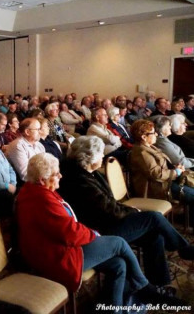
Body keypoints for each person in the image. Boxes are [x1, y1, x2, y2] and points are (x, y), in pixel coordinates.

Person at [17, 153, 184, 309]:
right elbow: (70, 233)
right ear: (41, 179)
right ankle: (145, 288)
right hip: (57, 256)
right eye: (56, 174)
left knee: (119, 264)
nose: (60, 176)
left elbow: (66, 227)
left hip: (59, 246)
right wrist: (93, 234)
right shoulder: (42, 199)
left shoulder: (36, 191)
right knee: (118, 243)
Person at [58, 135, 194, 289]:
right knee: (153, 218)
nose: (103, 156)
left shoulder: (87, 172)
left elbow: (108, 205)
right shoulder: (78, 180)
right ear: (88, 157)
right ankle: (183, 249)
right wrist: (132, 211)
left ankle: (159, 283)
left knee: (153, 235)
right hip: (100, 231)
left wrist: (129, 211)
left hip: (107, 220)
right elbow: (108, 210)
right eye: (101, 153)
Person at [129, 120, 194, 223]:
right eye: (153, 132)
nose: (156, 134)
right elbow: (156, 174)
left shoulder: (149, 147)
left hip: (166, 181)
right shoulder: (141, 152)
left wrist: (175, 168)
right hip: (158, 187)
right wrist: (175, 172)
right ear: (143, 137)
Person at [7, 118, 45, 183]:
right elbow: (25, 174)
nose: (40, 132)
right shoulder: (18, 145)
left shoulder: (39, 145)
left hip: (40, 180)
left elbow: (45, 165)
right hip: (26, 185)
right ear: (27, 132)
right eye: (38, 129)